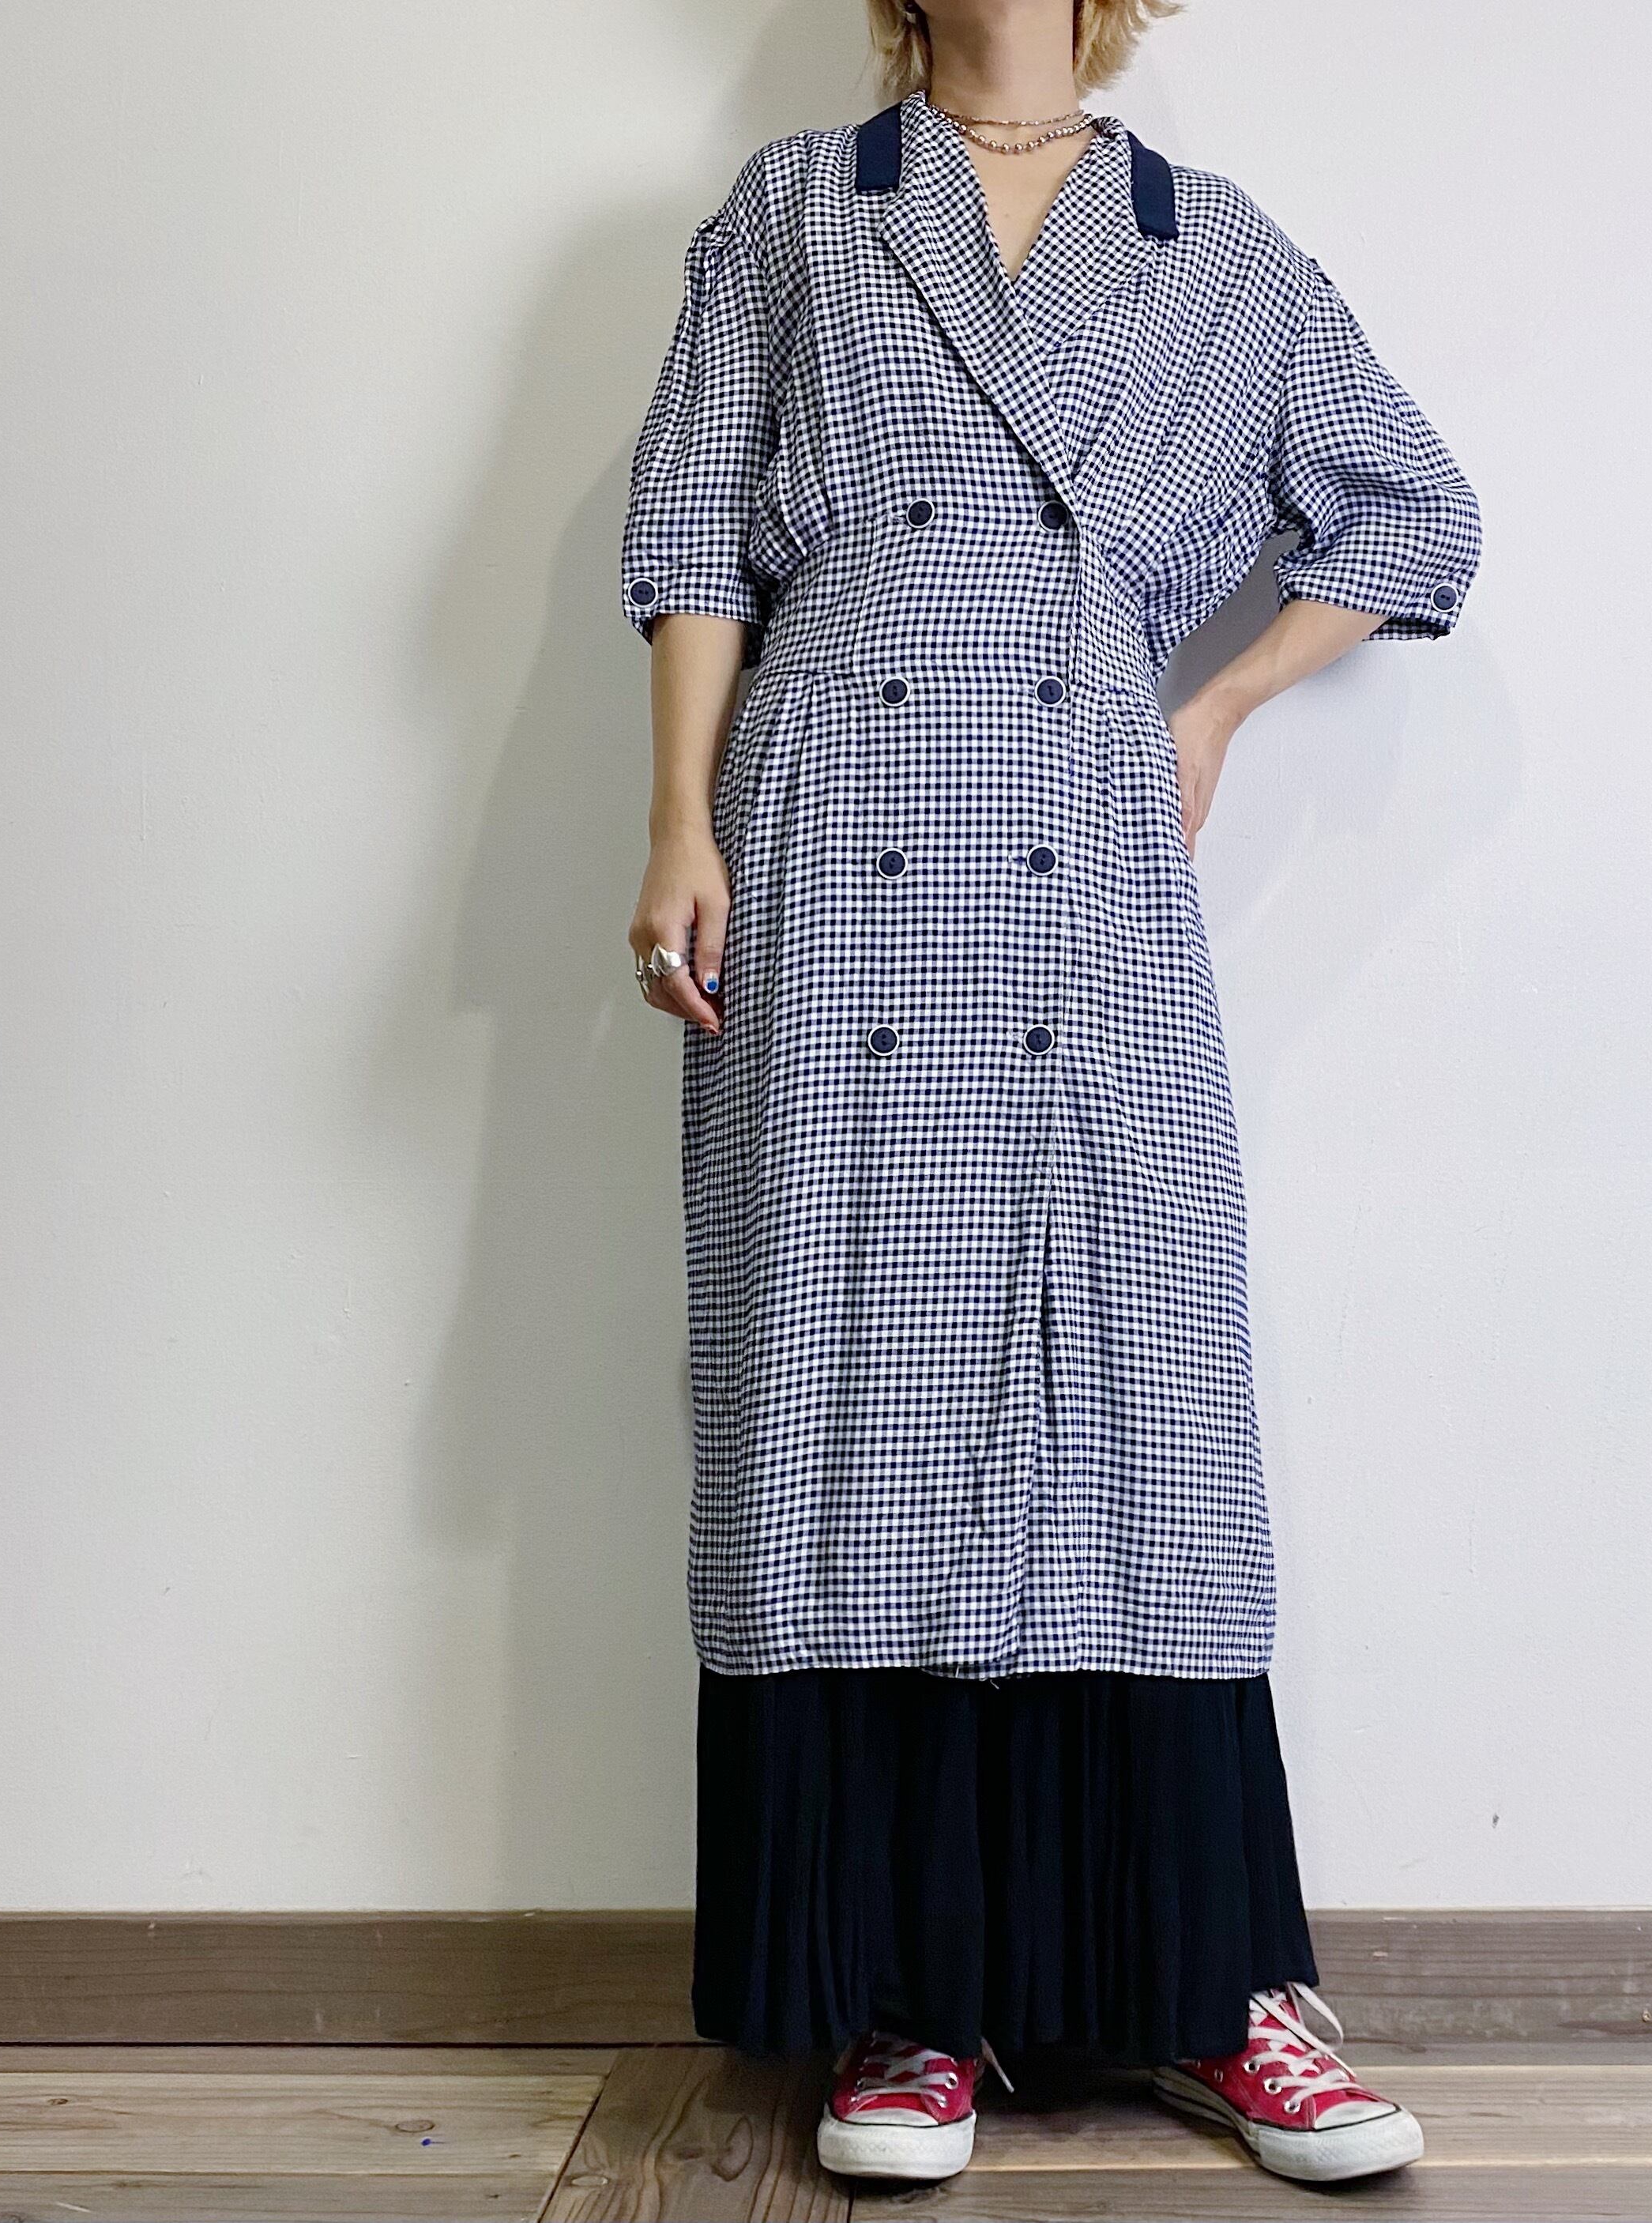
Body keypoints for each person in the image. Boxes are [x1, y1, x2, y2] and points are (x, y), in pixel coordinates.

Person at [622, 0, 1480, 2187]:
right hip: (831, 836)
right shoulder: (800, 207)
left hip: (1085, 840)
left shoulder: (1213, 244)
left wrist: (1215, 707)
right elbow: (696, 531)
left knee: (1129, 1396)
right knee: (847, 1396)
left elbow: (1417, 514)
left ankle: (1204, 1990)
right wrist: (681, 820)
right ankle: (902, 2006)